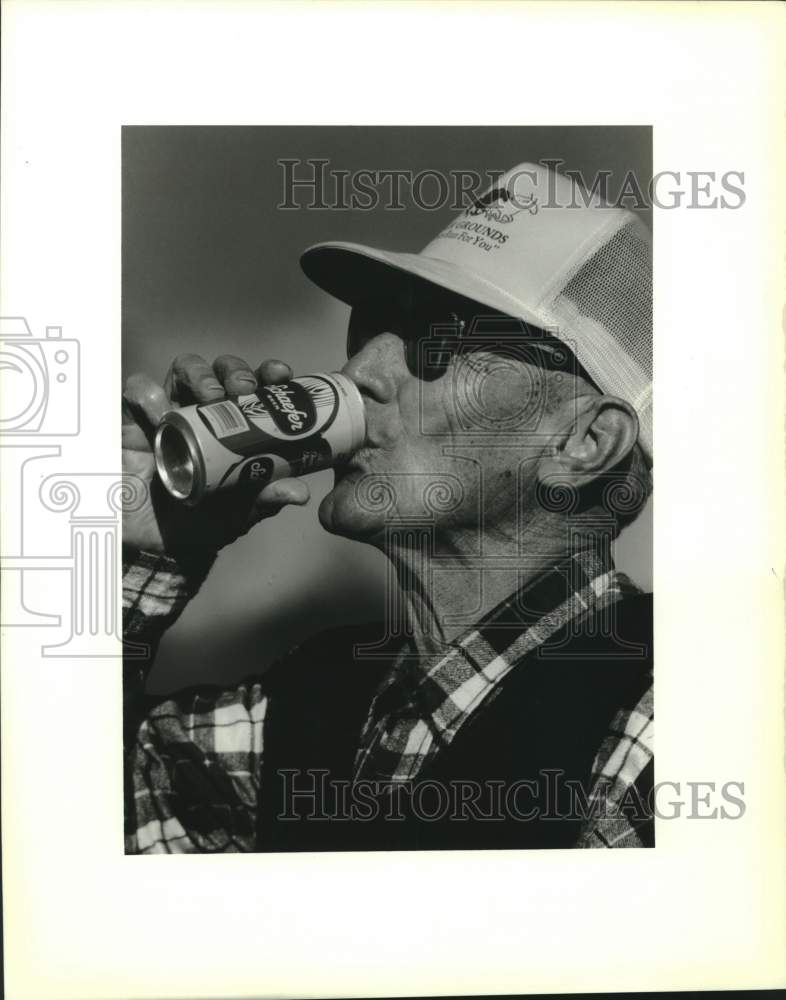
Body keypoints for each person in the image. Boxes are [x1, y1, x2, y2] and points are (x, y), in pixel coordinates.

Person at [122, 162, 654, 853]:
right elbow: (57, 834)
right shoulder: (306, 704)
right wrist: (141, 555)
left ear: (585, 443)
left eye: (437, 341)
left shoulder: (668, 721)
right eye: (368, 329)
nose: (360, 372)